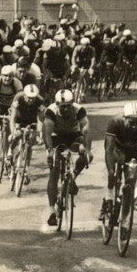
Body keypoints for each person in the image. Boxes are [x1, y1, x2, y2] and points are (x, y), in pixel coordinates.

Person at [41, 88, 90, 227]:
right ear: (57, 104)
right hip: (56, 138)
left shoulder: (79, 110)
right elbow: (48, 134)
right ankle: (51, 211)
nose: (66, 109)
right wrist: (50, 151)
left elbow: (86, 130)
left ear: (72, 103)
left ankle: (72, 177)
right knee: (55, 170)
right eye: (63, 106)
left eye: (69, 105)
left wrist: (87, 150)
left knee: (84, 154)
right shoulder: (50, 111)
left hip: (73, 135)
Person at [101, 101, 137, 226]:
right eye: (131, 123)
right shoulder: (115, 122)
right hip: (116, 148)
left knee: (130, 182)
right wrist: (110, 170)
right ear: (124, 118)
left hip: (132, 150)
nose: (134, 126)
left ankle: (125, 220)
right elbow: (109, 150)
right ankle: (109, 196)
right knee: (112, 175)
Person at [0, 63, 21, 154]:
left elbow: (19, 100)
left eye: (10, 76)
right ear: (1, 75)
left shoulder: (17, 83)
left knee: (12, 120)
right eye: (5, 76)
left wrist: (14, 110)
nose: (7, 78)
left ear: (13, 76)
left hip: (11, 104)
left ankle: (9, 144)